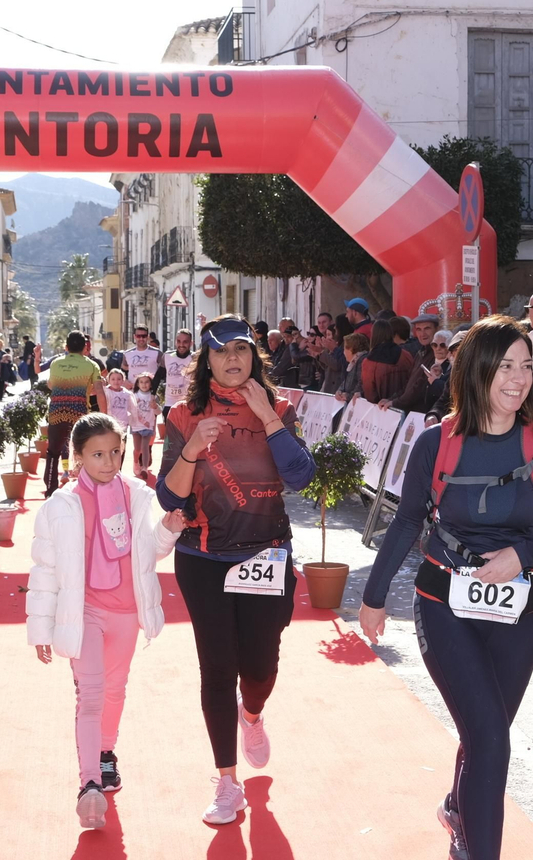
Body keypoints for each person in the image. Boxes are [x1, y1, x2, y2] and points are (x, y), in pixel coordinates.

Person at [359, 316, 533, 860]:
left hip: (518, 613)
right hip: (444, 605)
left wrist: (521, 556)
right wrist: (374, 596)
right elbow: (406, 521)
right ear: (477, 370)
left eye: (526, 366)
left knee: (486, 733)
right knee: (491, 739)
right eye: (505, 366)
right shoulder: (437, 442)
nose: (519, 379)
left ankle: (459, 810)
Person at [155, 315, 315, 824]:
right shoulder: (183, 414)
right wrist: (192, 449)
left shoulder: (280, 408)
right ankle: (227, 782)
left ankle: (254, 713)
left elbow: (301, 477)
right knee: (218, 670)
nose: (232, 359)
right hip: (203, 558)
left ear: (254, 356)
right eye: (221, 351)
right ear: (206, 359)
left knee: (261, 668)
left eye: (241, 349)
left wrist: (266, 415)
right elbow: (168, 496)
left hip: (266, 555)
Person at [27, 412, 187, 828]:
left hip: (127, 611)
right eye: (98, 454)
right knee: (92, 695)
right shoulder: (60, 506)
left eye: (115, 452)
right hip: (84, 613)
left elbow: (149, 550)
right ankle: (89, 784)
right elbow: (45, 570)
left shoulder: (137, 495)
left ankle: (105, 754)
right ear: (78, 456)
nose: (109, 462)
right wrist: (41, 628)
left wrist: (168, 529)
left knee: (115, 690)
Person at [46, 332, 106, 496]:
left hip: (56, 412)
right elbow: (100, 392)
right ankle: (85, 489)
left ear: (66, 347)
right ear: (85, 347)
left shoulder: (56, 363)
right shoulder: (91, 365)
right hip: (79, 414)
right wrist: (105, 417)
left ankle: (50, 490)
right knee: (85, 452)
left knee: (53, 452)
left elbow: (51, 385)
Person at [361, 317, 416, 403]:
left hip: (381, 407)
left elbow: (370, 394)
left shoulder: (368, 362)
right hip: (405, 404)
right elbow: (412, 380)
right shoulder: (405, 355)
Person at [158, 329, 194, 424]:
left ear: (191, 343)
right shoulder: (167, 356)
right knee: (170, 432)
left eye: (185, 342)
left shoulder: (194, 358)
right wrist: (152, 395)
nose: (181, 345)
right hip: (170, 403)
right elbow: (158, 376)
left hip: (188, 403)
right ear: (175, 342)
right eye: (178, 341)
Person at [130, 373, 158, 480]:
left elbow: (158, 412)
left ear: (151, 384)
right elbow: (129, 408)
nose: (144, 384)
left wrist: (155, 407)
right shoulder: (134, 395)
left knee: (145, 447)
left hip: (148, 425)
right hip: (136, 425)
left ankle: (145, 468)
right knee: (137, 449)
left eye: (147, 382)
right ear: (137, 384)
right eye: (141, 382)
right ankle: (135, 462)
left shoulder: (153, 396)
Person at [333, 332, 369, 403]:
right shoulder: (354, 362)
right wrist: (339, 391)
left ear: (351, 349)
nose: (343, 352)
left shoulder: (362, 361)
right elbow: (346, 382)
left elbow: (361, 383)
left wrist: (349, 396)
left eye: (344, 349)